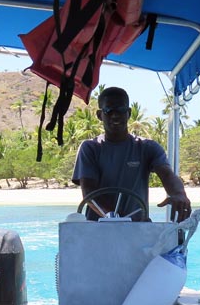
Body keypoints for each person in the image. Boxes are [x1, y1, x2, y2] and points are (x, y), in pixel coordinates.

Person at [72, 86, 192, 222]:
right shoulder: (90, 148)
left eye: (121, 110)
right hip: (99, 231)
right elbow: (89, 192)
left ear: (128, 113)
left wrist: (179, 194)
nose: (115, 115)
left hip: (137, 230)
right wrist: (113, 218)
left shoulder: (148, 147)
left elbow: (167, 174)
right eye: (108, 110)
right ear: (100, 115)